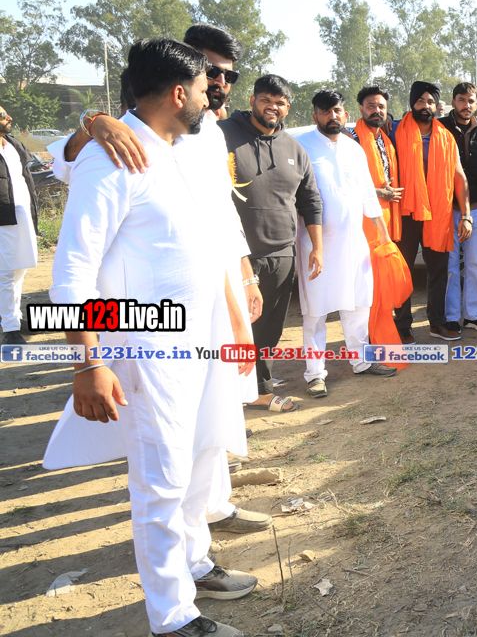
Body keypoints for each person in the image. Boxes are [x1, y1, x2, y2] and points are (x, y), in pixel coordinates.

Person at [44, 38, 257, 637]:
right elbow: (72, 272)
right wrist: (87, 364)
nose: (213, 98)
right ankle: (172, 617)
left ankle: (194, 564)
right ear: (179, 92)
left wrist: (230, 317)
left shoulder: (179, 148)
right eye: (205, 88)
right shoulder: (111, 158)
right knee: (159, 480)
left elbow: (208, 240)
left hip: (199, 339)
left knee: (194, 459)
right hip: (145, 345)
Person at [219, 74, 324, 412]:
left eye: (279, 103)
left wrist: (317, 247)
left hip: (282, 253)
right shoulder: (222, 135)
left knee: (269, 328)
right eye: (265, 100)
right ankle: (226, 393)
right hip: (236, 256)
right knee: (232, 325)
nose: (272, 107)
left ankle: (258, 389)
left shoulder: (294, 148)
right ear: (252, 101)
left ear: (288, 107)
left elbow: (310, 201)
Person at [295, 90, 397, 397]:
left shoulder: (354, 148)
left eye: (337, 110)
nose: (332, 116)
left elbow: (367, 193)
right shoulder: (302, 146)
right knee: (315, 311)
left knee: (359, 302)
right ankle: (315, 374)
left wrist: (383, 233)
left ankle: (361, 361)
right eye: (325, 111)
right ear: (315, 115)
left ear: (345, 113)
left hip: (355, 241)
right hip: (316, 245)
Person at [390, 81, 472, 342]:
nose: (425, 106)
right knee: (403, 269)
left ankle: (437, 323)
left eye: (430, 102)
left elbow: (459, 176)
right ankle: (403, 324)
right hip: (405, 211)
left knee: (438, 270)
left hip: (438, 213)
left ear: (437, 106)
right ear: (412, 104)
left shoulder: (446, 137)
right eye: (420, 101)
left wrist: (467, 215)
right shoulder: (395, 132)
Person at [354, 85, 411, 368]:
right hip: (362, 226)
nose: (377, 111)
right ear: (361, 109)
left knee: (382, 290)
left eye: (381, 107)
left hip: (384, 223)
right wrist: (378, 192)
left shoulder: (385, 140)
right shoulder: (351, 139)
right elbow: (344, 183)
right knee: (368, 291)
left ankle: (381, 345)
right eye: (371, 106)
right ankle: (372, 350)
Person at [439, 83, 477, 332]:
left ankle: (473, 315)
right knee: (450, 266)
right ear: (453, 102)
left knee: (475, 263)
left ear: (476, 103)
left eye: (471, 100)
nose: (466, 105)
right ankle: (451, 317)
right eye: (461, 100)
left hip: (476, 206)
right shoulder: (440, 127)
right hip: (447, 208)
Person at [0, 106, 37, 345]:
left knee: (20, 268)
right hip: (2, 217)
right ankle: (10, 329)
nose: (9, 117)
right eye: (2, 115)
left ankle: (11, 317)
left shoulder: (14, 144)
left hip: (22, 215)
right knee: (6, 272)